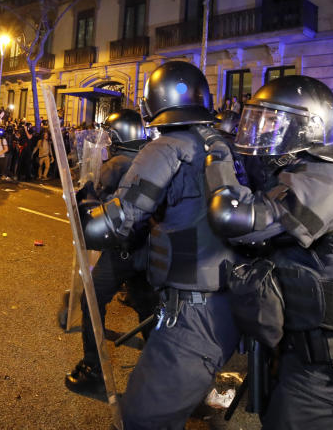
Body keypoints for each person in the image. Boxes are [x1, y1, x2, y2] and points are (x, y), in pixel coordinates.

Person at [204, 75, 333, 429]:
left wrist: (217, 158)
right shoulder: (303, 173)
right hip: (303, 354)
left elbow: (235, 219)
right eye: (258, 119)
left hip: (331, 368)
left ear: (308, 127)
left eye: (272, 120)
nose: (259, 129)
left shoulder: (327, 180)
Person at [83, 61, 239, 429]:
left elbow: (111, 225)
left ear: (154, 101)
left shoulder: (166, 148)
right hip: (229, 302)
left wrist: (85, 207)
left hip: (191, 309)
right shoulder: (221, 144)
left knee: (139, 418)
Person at [65, 109, 156, 398]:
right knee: (147, 308)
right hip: (150, 249)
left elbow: (101, 211)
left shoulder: (115, 164)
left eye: (111, 135)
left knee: (91, 299)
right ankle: (161, 374)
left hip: (123, 249)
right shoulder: (152, 158)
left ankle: (93, 368)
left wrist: (86, 197)